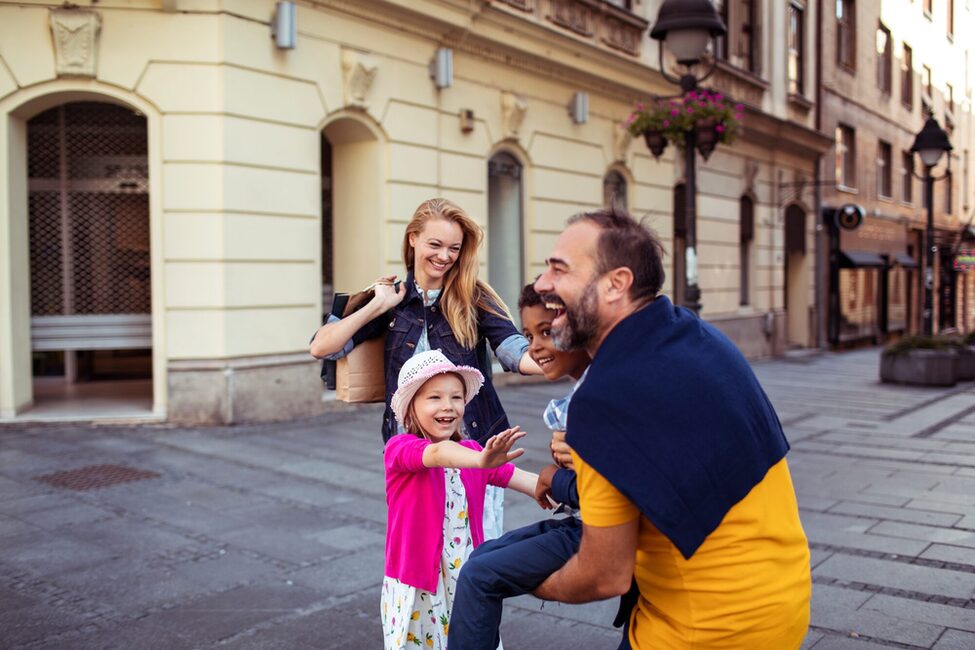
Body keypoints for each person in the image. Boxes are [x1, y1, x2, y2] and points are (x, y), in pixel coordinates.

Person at [531, 206, 811, 650]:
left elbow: (604, 575)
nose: (543, 283)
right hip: (782, 602)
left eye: (558, 269)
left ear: (616, 284)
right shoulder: (697, 338)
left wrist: (518, 579)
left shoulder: (604, 399)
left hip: (705, 631)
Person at [309, 198, 540, 537]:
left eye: (454, 248)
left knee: (478, 555)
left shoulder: (473, 297)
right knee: (421, 555)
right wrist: (377, 306)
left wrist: (558, 360)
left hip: (473, 447)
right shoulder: (391, 302)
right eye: (436, 244)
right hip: (412, 454)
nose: (445, 256)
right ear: (413, 238)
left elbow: (512, 351)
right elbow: (321, 346)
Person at [447, 282, 592, 650]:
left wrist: (554, 479)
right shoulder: (586, 390)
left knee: (479, 573)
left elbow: (609, 496)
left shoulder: (600, 395)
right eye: (529, 335)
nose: (537, 346)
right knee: (481, 561)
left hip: (615, 530)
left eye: (547, 332)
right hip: (593, 515)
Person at [381, 349, 540, 650]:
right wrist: (482, 460)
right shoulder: (400, 449)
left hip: (466, 581)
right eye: (434, 397)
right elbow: (438, 453)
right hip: (419, 584)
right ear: (410, 406)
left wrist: (568, 492)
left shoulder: (471, 452)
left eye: (456, 397)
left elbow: (524, 480)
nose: (448, 406)